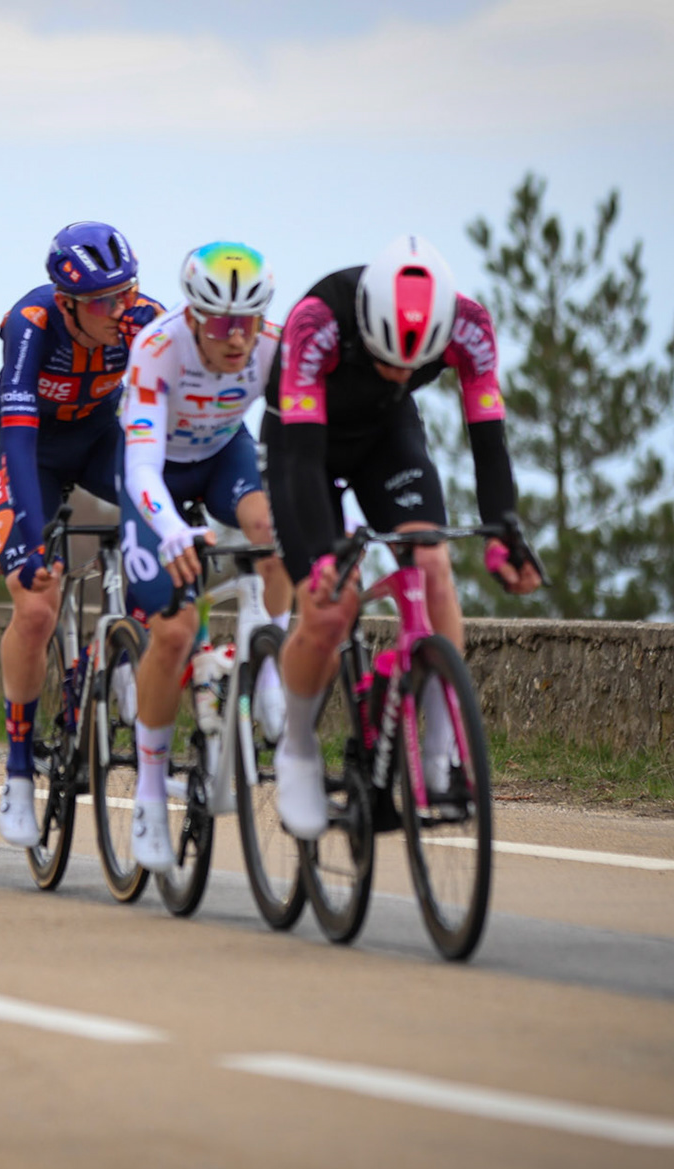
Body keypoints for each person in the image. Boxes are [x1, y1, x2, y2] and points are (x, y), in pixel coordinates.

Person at [263, 235, 541, 840]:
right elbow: (304, 462)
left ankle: (440, 753)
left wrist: (503, 531)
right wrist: (321, 560)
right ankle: (298, 746)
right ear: (365, 323)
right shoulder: (316, 322)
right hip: (302, 441)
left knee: (432, 564)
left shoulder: (469, 326)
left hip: (385, 433)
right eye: (386, 358)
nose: (400, 372)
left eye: (414, 364)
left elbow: (488, 436)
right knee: (329, 607)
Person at [115, 242, 292, 871]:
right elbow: (141, 466)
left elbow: (301, 444)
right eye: (221, 325)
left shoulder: (273, 347)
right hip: (156, 472)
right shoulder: (158, 348)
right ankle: (149, 792)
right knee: (174, 632)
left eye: (249, 322)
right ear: (192, 316)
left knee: (275, 532)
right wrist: (169, 530)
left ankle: (268, 676)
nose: (237, 338)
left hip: (222, 456)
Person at [0, 221, 164, 847]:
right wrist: (31, 541)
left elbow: (163, 428)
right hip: (33, 452)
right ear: (67, 303)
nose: (119, 310)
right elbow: (15, 436)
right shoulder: (32, 324)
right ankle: (17, 771)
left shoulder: (147, 320)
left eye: (126, 293)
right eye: (101, 301)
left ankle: (122, 651)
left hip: (99, 440)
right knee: (37, 606)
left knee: (162, 520)